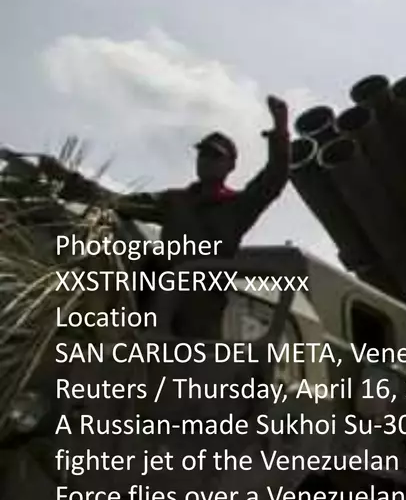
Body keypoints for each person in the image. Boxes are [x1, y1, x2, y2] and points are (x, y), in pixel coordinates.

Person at [39, 96, 292, 337]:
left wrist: (280, 130)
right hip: (160, 300)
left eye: (215, 156)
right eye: (203, 154)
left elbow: (272, 181)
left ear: (230, 166)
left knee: (192, 371)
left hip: (201, 308)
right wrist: (66, 178)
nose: (206, 160)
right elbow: (116, 202)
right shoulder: (174, 201)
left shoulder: (237, 207)